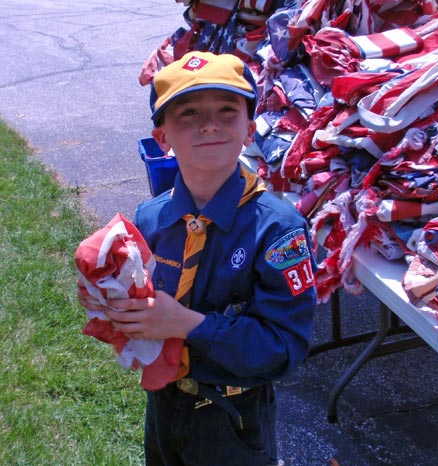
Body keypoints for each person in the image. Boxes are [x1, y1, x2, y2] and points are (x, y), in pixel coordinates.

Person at [78, 50, 317, 466]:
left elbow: (284, 348)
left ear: (249, 129)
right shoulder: (151, 218)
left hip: (234, 418)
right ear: (162, 138)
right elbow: (145, 305)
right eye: (187, 113)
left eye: (227, 110)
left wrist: (188, 324)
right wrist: (112, 301)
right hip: (165, 404)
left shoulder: (278, 230)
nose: (209, 124)